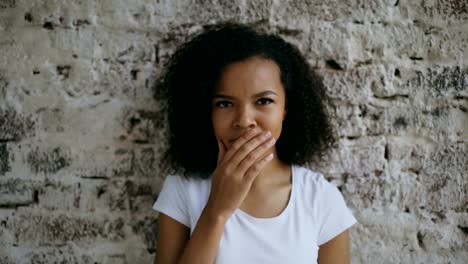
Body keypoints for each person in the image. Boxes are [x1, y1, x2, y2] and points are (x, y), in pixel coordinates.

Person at [152, 22, 356, 264]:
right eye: (225, 104)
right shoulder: (182, 191)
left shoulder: (320, 198)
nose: (244, 120)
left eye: (264, 101)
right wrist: (216, 211)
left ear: (286, 108)